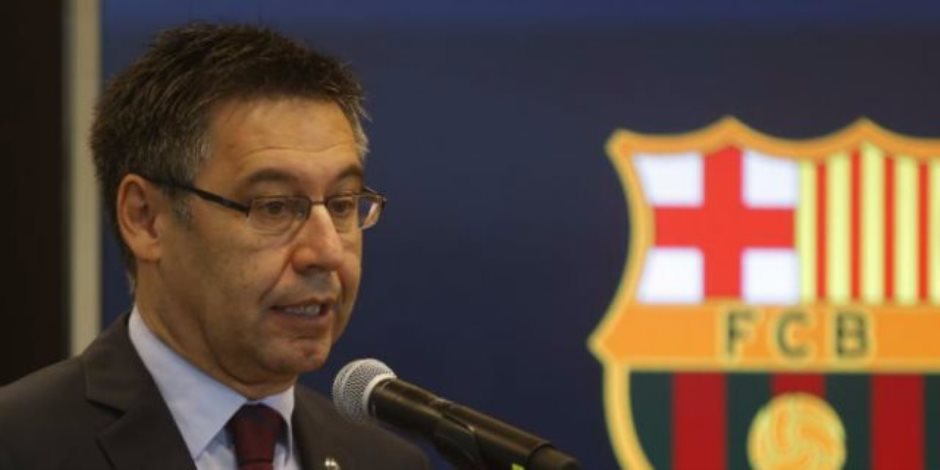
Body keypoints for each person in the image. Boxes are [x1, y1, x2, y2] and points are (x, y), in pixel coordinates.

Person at [0, 23, 429, 470]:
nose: (327, 253)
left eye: (341, 204)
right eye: (275, 207)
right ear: (145, 218)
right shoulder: (19, 447)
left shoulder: (387, 463)